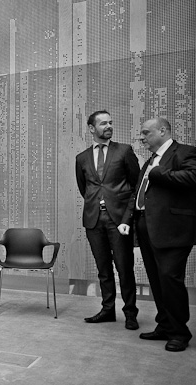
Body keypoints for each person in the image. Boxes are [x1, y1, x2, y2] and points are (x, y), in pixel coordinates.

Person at [119, 117, 196, 352]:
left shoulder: (188, 153)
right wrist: (128, 219)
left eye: (146, 132)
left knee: (170, 279)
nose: (142, 137)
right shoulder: (149, 160)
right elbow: (137, 193)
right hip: (147, 228)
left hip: (174, 231)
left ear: (163, 131)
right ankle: (165, 326)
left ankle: (180, 333)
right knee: (158, 282)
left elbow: (194, 178)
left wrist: (158, 173)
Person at [75, 110, 140, 330]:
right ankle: (107, 310)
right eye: (103, 123)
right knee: (103, 269)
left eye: (110, 122)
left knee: (124, 268)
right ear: (92, 128)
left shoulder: (124, 151)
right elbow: (85, 188)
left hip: (119, 221)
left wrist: (126, 217)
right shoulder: (81, 158)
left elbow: (136, 186)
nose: (108, 126)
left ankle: (130, 313)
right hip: (94, 220)